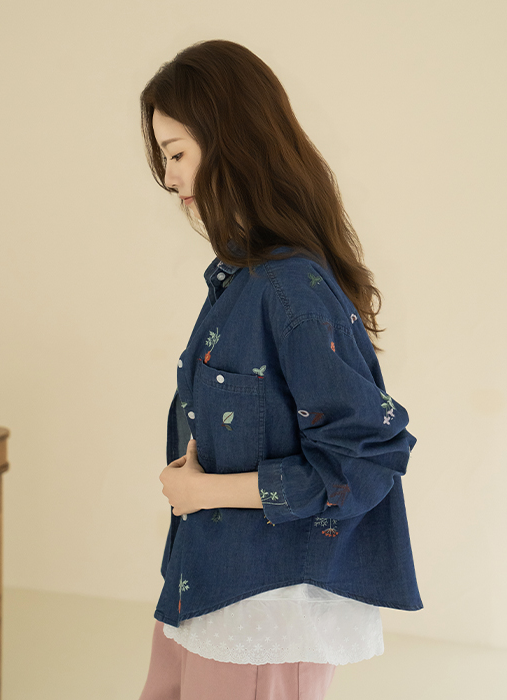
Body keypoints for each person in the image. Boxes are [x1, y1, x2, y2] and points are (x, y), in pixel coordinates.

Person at [138, 39, 422, 700]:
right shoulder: (238, 279)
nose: (170, 179)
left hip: (269, 609)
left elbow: (363, 460)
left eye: (176, 154)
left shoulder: (290, 291)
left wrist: (206, 492)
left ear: (231, 144)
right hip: (207, 585)